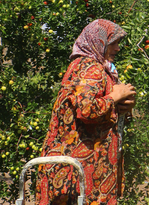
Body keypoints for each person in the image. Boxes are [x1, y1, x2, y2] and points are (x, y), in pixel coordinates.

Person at [36, 19, 136, 205]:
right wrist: (115, 97)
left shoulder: (81, 66)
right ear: (99, 41)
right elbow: (87, 109)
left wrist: (122, 104)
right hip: (80, 171)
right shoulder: (92, 68)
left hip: (72, 168)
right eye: (113, 43)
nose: (117, 48)